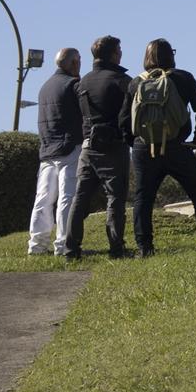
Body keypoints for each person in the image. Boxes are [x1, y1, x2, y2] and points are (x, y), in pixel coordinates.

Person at [128, 38, 196, 255]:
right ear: (170, 56)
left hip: (144, 148)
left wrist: (135, 143)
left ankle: (144, 247)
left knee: (143, 198)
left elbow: (123, 120)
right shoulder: (183, 78)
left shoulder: (136, 83)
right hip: (177, 146)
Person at [61, 35, 132, 261]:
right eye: (119, 49)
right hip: (113, 146)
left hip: (88, 146)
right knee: (115, 198)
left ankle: (71, 249)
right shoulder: (122, 80)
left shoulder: (82, 82)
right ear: (113, 53)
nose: (121, 53)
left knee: (80, 198)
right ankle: (116, 248)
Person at [27, 48, 83, 256]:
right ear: (73, 63)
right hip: (68, 147)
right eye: (78, 62)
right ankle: (63, 244)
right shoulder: (72, 85)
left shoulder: (44, 87)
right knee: (67, 197)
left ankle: (37, 245)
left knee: (43, 198)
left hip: (47, 150)